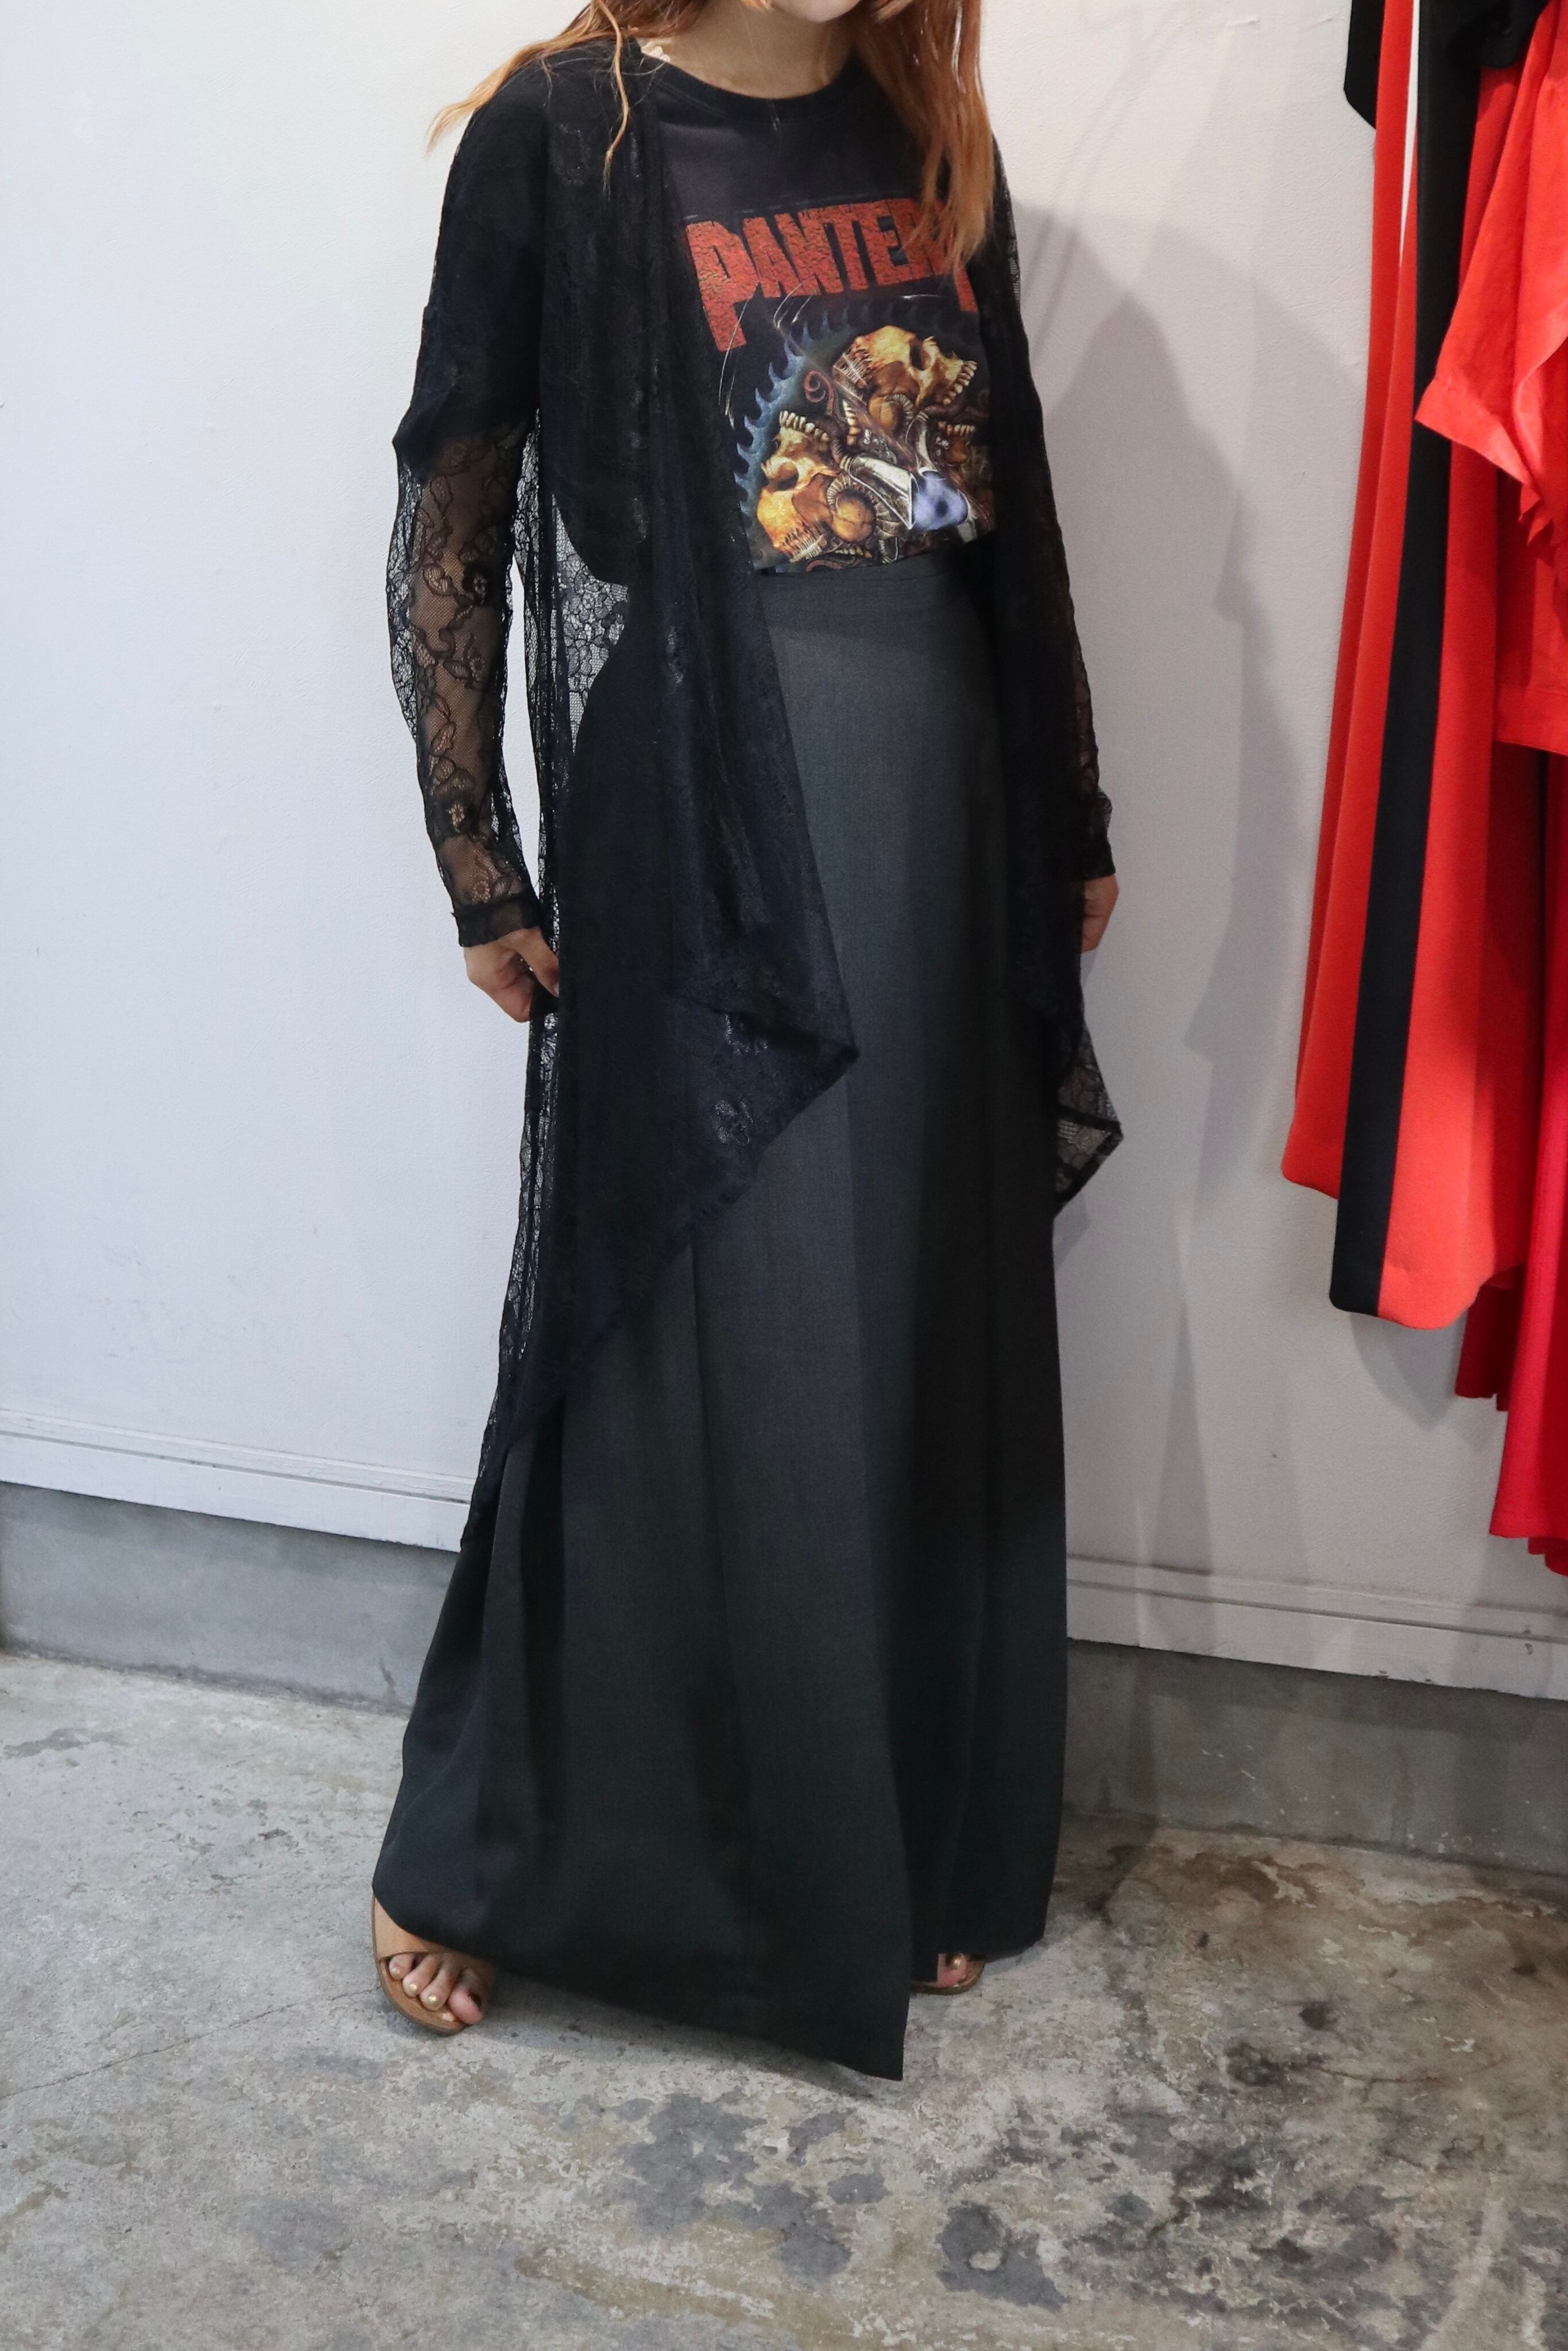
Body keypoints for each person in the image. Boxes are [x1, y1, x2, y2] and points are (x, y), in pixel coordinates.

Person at [371, 0, 1120, 2082]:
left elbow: (1017, 506)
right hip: (701, 812)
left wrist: (1064, 810)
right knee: (673, 1326)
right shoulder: (566, 129)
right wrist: (477, 854)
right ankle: (498, 1845)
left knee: (901, 1325)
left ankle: (884, 1835)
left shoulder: (927, 133)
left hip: (936, 800)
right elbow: (458, 490)